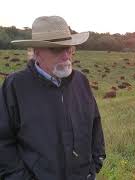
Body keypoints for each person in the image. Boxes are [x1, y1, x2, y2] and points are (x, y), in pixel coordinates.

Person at [0, 16, 106, 180]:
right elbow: (3, 142)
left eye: (69, 48)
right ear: (37, 52)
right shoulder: (15, 86)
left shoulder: (80, 81)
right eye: (57, 49)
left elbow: (95, 125)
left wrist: (94, 165)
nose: (66, 56)